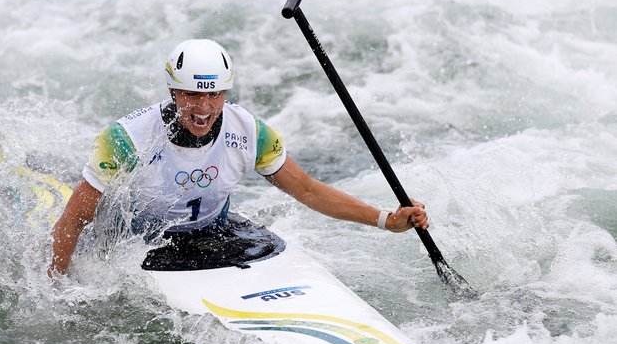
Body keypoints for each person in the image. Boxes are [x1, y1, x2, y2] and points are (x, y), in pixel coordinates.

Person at [49, 39, 428, 278]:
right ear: (172, 91)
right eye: (192, 95)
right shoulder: (126, 139)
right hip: (137, 242)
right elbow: (73, 221)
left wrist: (385, 219)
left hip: (213, 234)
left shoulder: (249, 132)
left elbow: (309, 191)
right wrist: (56, 284)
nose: (203, 107)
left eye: (214, 94)